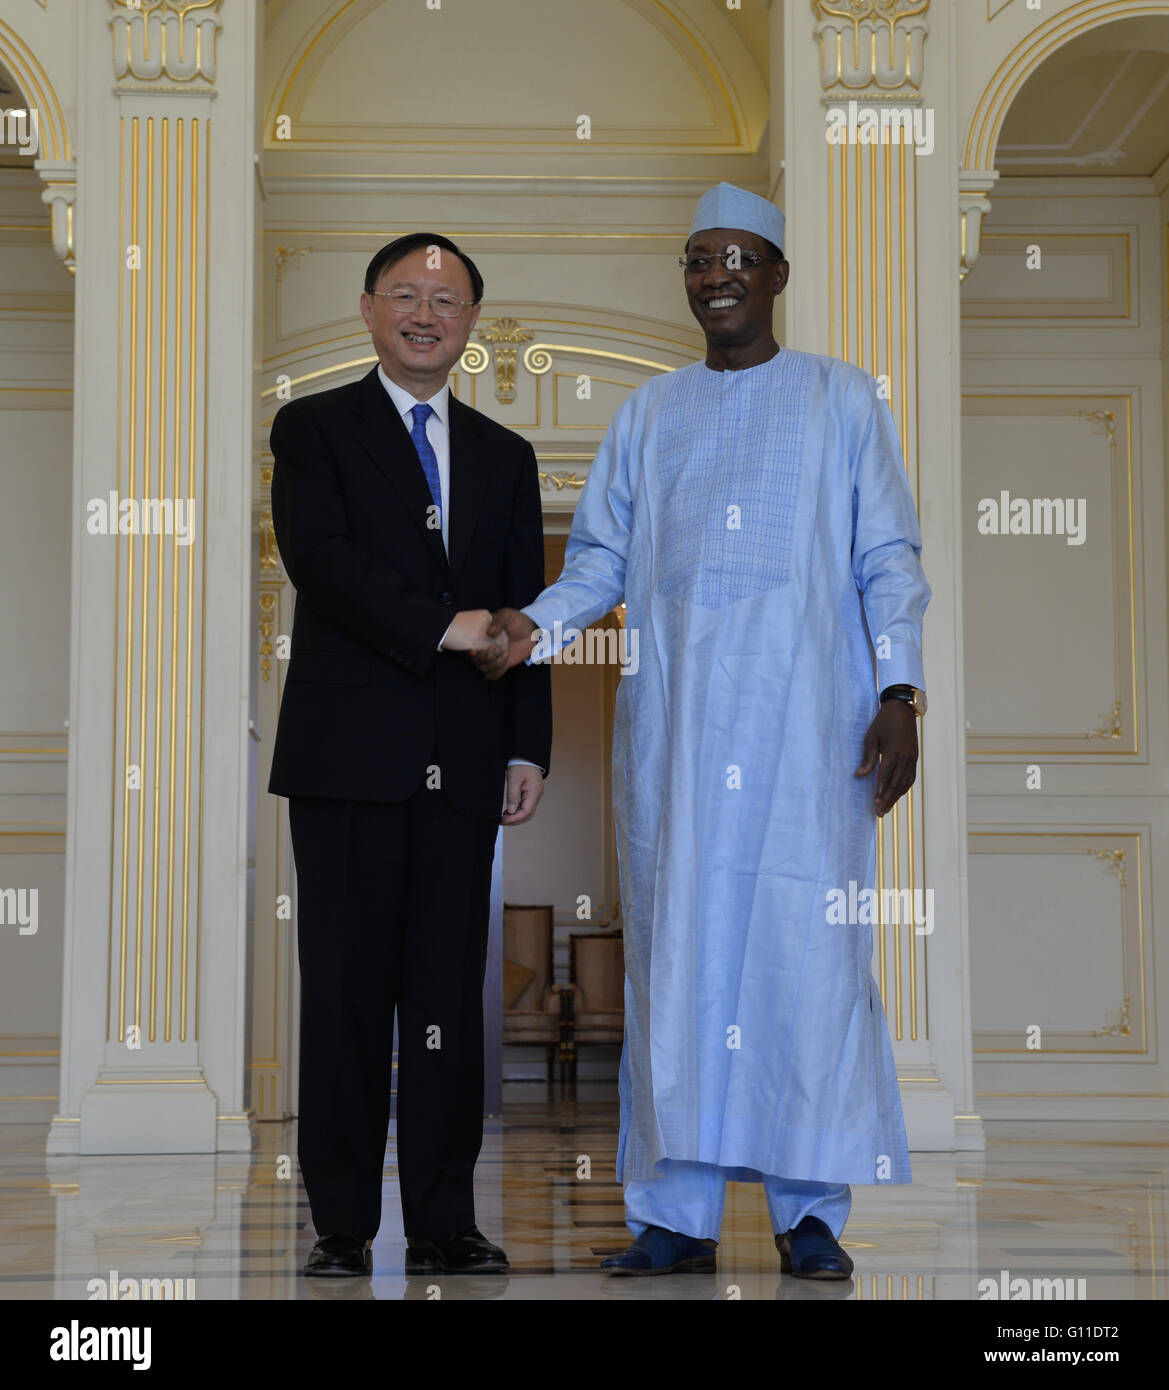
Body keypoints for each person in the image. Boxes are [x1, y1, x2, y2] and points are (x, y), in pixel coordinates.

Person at [479, 183, 930, 1277]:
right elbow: (596, 560)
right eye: (696, 258)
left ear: (775, 274)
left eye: (737, 256)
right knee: (675, 960)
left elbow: (886, 558)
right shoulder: (649, 415)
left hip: (809, 733)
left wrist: (897, 694)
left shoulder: (839, 402)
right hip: (676, 736)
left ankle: (806, 1210)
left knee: (803, 958)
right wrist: (529, 625)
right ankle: (673, 1214)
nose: (715, 274)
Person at [268, 232, 552, 1277]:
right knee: (341, 990)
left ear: (471, 322)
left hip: (466, 765)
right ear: (368, 308)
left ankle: (443, 1217)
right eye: (405, 293)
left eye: (446, 298)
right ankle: (341, 1224)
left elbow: (522, 619)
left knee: (446, 1000)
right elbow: (324, 564)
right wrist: (442, 627)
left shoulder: (505, 457)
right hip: (346, 761)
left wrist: (529, 748)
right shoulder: (312, 429)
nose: (424, 312)